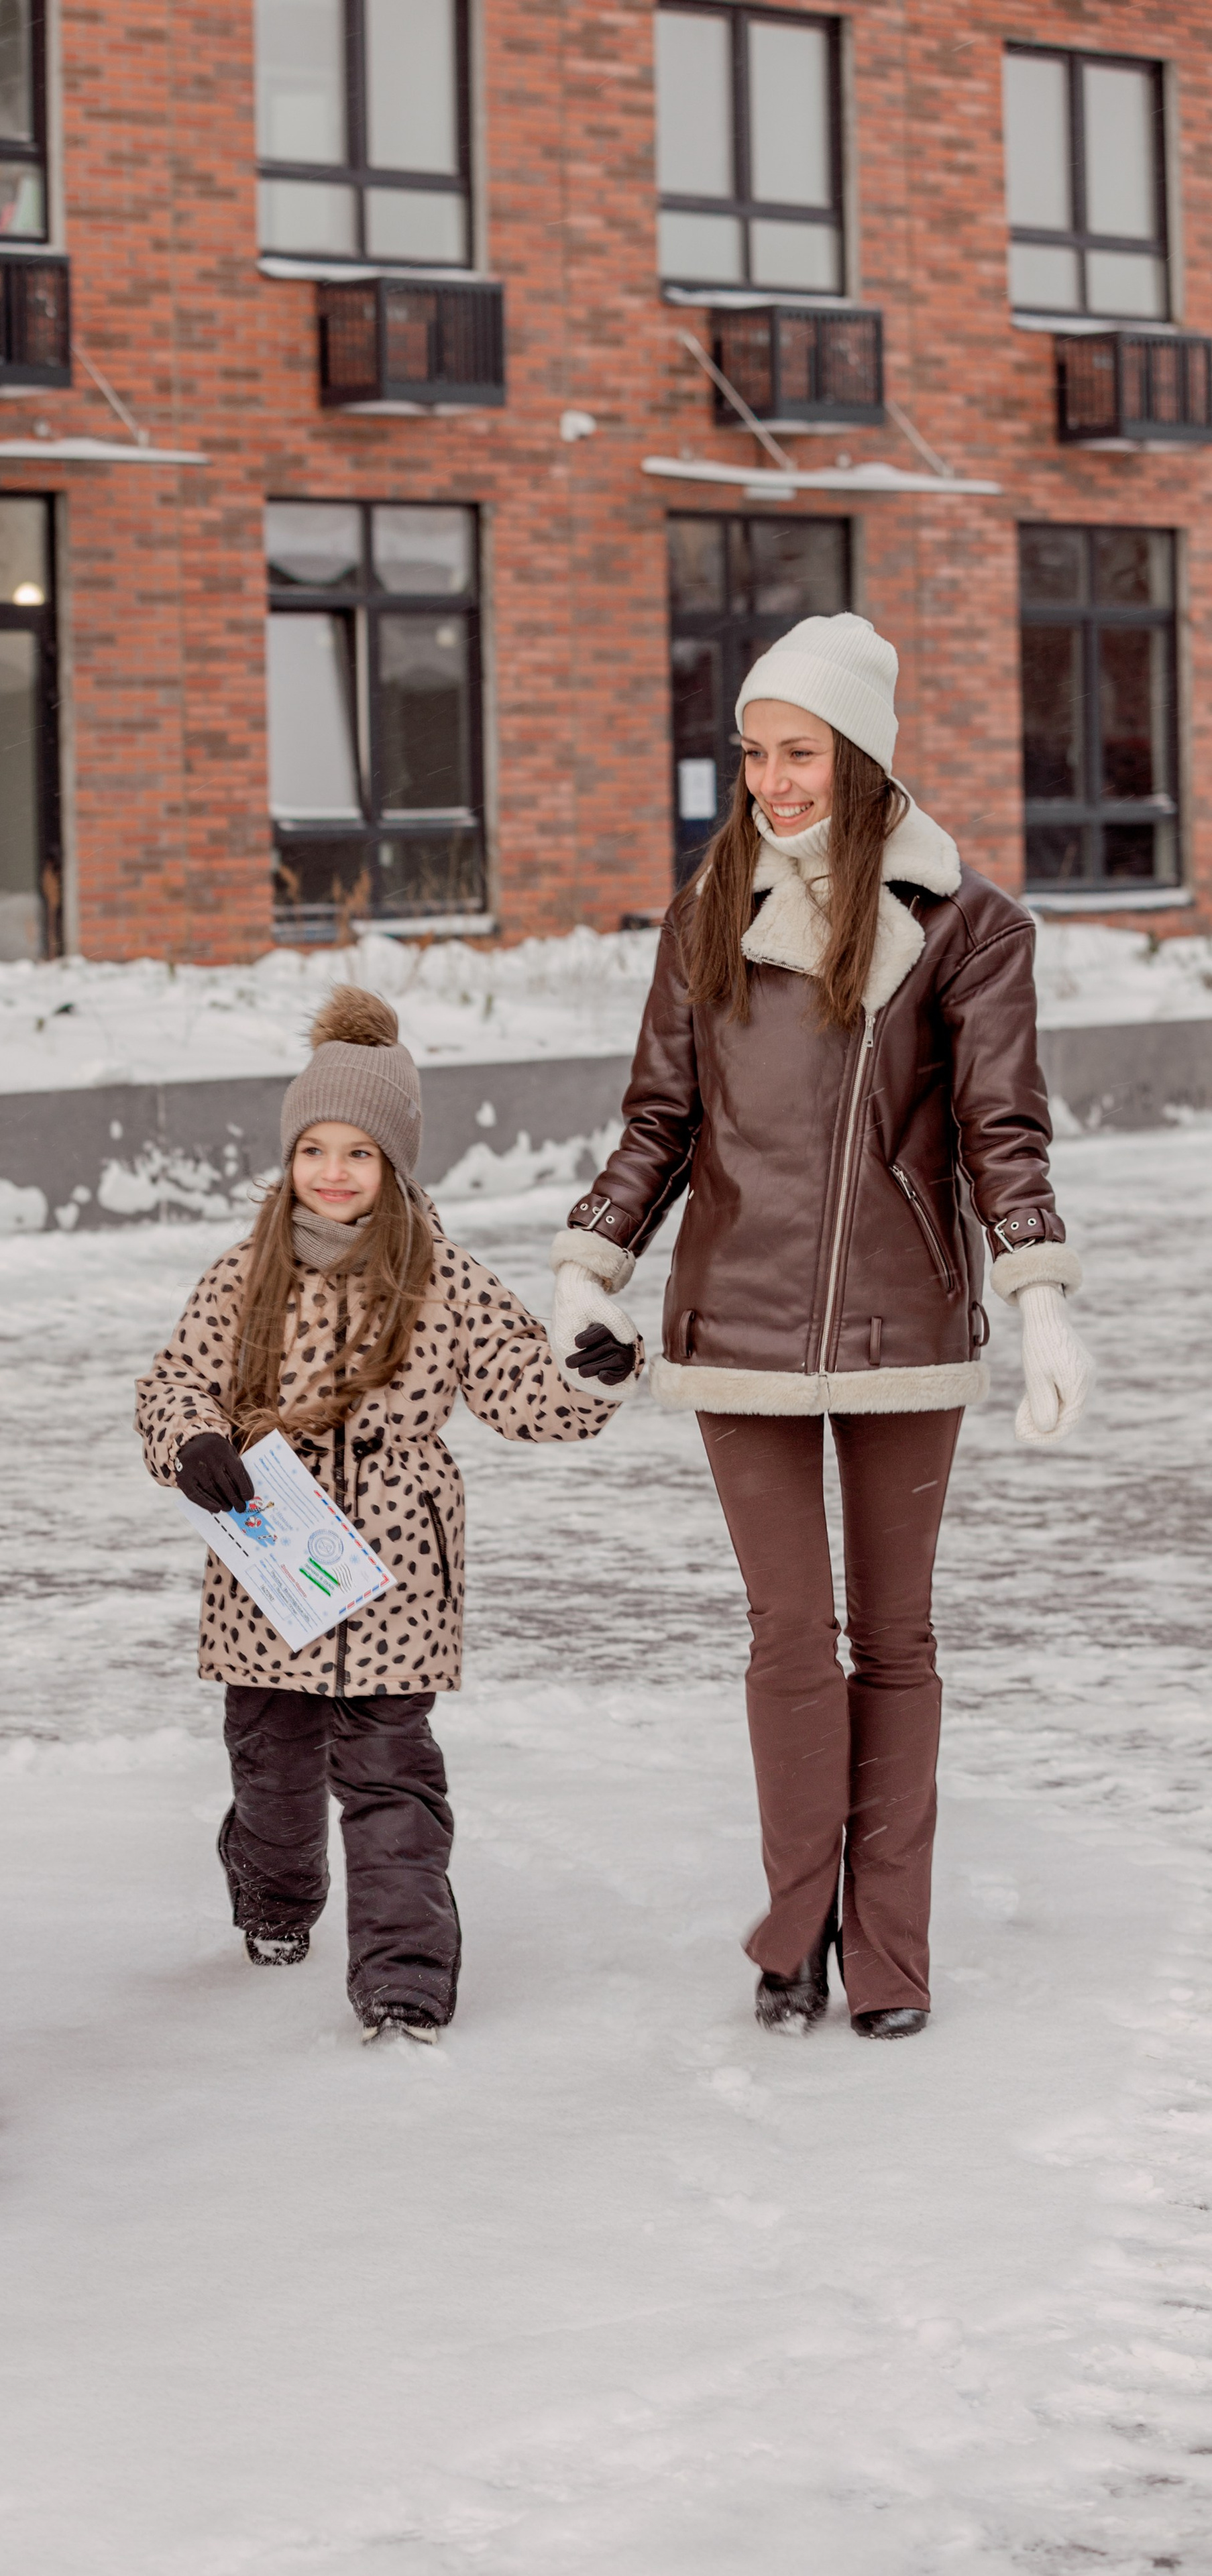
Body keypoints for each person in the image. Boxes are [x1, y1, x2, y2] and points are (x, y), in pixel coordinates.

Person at [549, 613, 1093, 2041]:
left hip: (903, 1325)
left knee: (893, 1641)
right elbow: (659, 1122)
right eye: (750, 751)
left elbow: (1001, 1135)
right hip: (732, 1324)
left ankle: (891, 1956)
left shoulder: (968, 928)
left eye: (796, 751)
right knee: (788, 1636)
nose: (769, 779)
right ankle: (794, 1934)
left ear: (857, 758)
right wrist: (585, 1271)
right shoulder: (704, 913)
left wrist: (1036, 1301)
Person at [136, 988, 630, 2043]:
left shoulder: (444, 1279)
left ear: (395, 1162)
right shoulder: (245, 1275)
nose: (333, 1171)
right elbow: (175, 1382)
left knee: (394, 1785)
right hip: (271, 1570)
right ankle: (274, 1900)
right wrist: (194, 1443)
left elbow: (520, 1390)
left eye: (358, 1152)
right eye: (313, 1147)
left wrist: (591, 1376)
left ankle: (404, 1984)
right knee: (271, 1771)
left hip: (399, 1577)